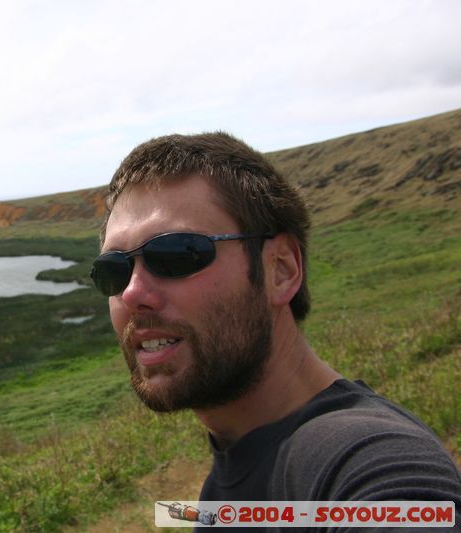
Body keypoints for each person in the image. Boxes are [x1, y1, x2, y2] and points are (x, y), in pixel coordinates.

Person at [90, 132, 461, 529]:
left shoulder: (368, 464)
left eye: (176, 254)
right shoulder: (240, 466)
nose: (132, 294)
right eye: (114, 270)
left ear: (280, 270)